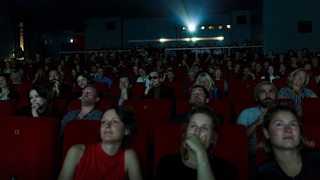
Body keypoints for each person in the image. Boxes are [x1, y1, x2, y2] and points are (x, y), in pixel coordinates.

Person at [58, 105, 143, 180]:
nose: (107, 125)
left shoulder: (129, 156)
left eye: (115, 121)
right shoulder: (76, 152)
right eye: (104, 121)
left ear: (127, 130)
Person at [156, 105, 237, 180]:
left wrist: (200, 152)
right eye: (193, 126)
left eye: (204, 128)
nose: (197, 133)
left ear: (212, 138)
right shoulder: (166, 163)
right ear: (185, 132)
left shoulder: (227, 169)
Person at [255, 103, 320, 179]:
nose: (288, 130)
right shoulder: (263, 173)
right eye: (279, 124)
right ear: (266, 133)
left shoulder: (317, 159)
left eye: (293, 124)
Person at [237, 81, 278, 178]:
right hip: (253, 158)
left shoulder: (284, 112)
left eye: (271, 91)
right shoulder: (246, 113)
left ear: (276, 96)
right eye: (263, 92)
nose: (267, 94)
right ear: (256, 97)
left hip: (280, 156)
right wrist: (256, 123)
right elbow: (238, 141)